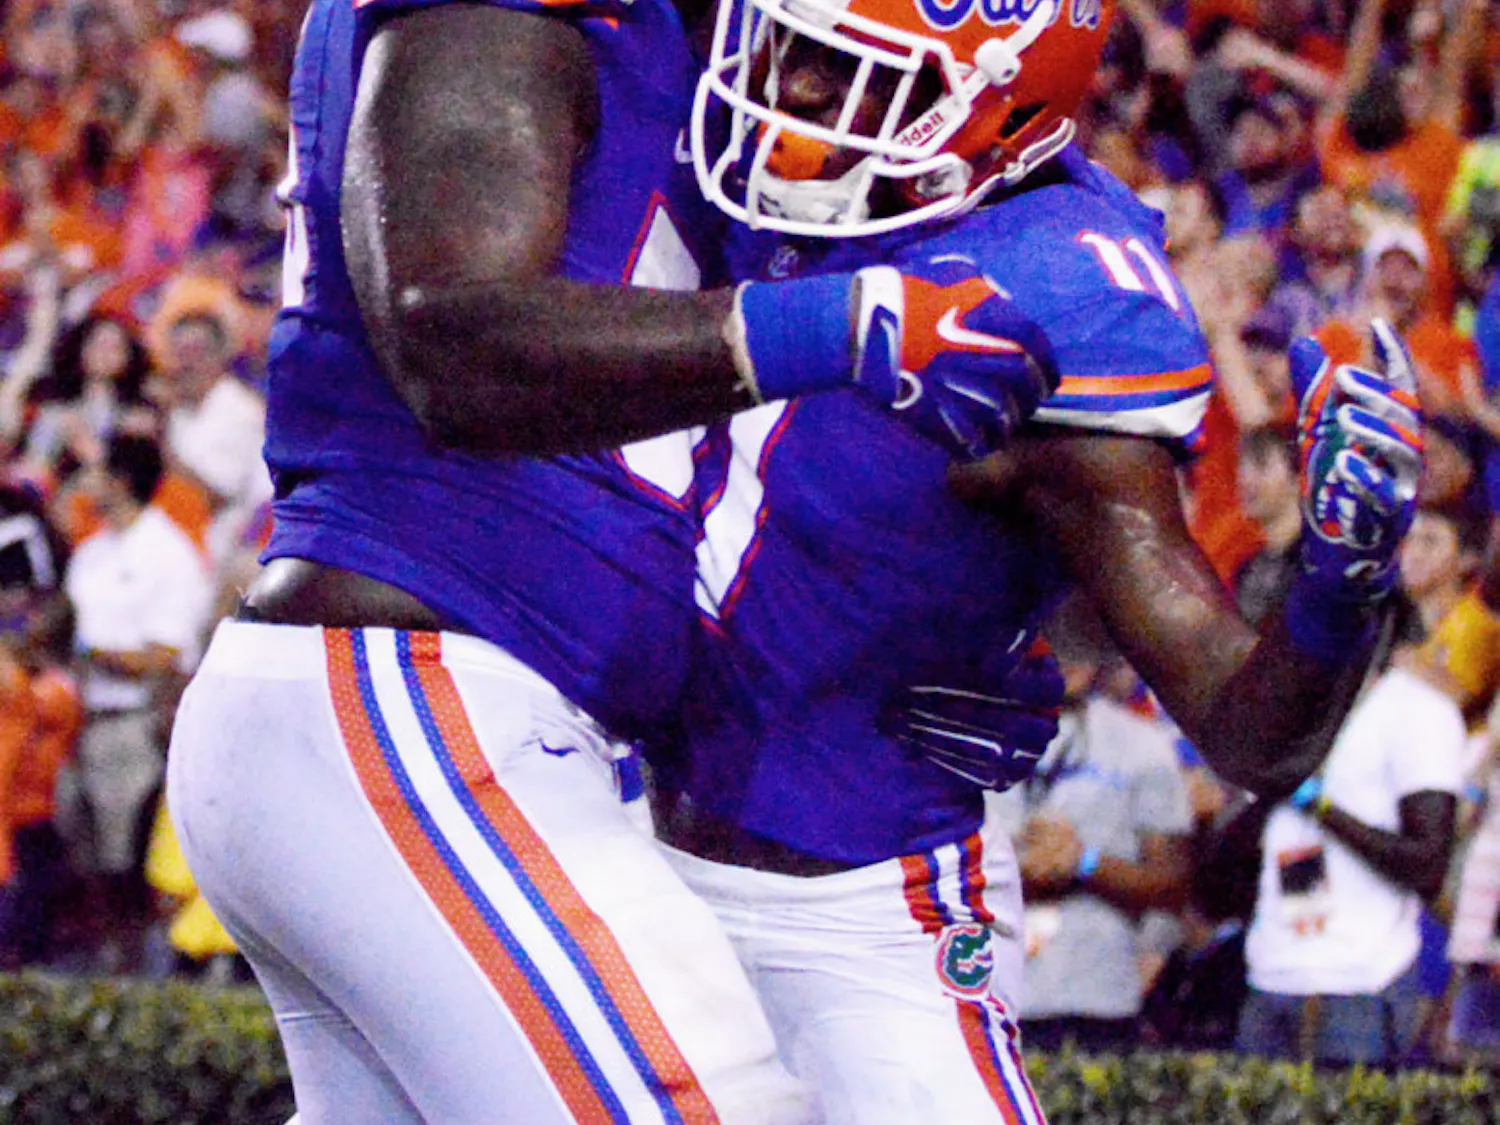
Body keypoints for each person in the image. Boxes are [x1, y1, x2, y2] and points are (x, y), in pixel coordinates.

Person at [164, 0, 1061, 1120]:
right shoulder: (531, 22)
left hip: (439, 707)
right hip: (410, 691)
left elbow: (662, 470)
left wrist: (894, 659)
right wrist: (824, 328)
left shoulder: (695, 52)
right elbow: (455, 336)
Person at [658, 0, 1423, 1119]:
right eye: (792, 43)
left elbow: (1249, 727)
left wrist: (1340, 579)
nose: (796, 90)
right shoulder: (743, 159)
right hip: (615, 831)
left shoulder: (1055, 302)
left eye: (847, 68)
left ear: (996, 106)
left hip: (855, 906)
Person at [66, 433, 213, 973]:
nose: (88, 482)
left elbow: (167, 655)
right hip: (84, 719)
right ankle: (109, 970)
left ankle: (143, 977)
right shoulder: (91, 552)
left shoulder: (168, 552)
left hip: (138, 721)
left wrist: (93, 653)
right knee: (89, 855)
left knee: (134, 860)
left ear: (122, 481)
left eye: (99, 471)